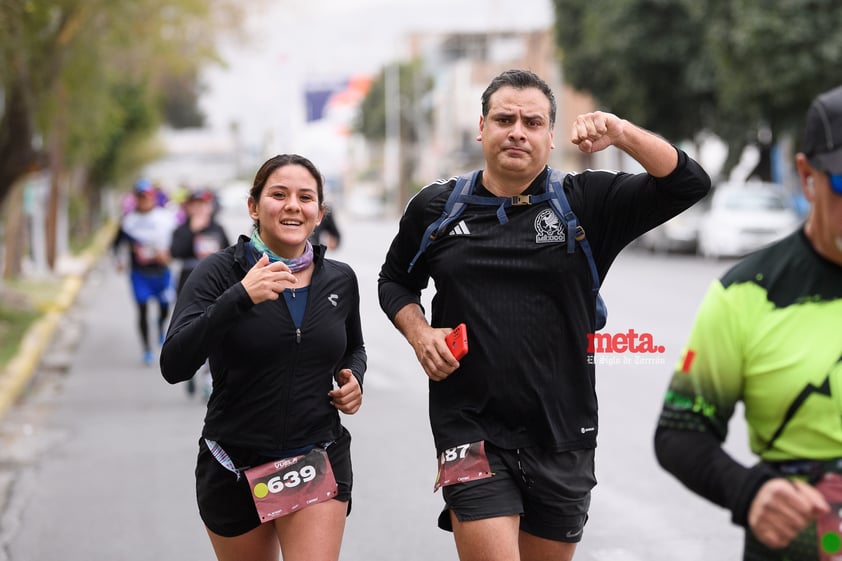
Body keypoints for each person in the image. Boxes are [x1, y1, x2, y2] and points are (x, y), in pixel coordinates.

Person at [377, 68, 711, 561]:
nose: (517, 130)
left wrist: (620, 131)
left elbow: (688, 183)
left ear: (551, 137)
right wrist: (420, 331)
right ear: (481, 128)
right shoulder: (436, 209)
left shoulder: (586, 204)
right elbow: (395, 281)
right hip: (469, 430)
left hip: (563, 434)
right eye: (504, 119)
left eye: (532, 122)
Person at [654, 86, 842, 560]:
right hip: (800, 545)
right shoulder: (747, 293)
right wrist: (749, 491)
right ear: (807, 176)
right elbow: (679, 432)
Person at [160, 153, 366, 561]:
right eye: (279, 194)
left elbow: (353, 348)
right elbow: (175, 364)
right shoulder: (219, 273)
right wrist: (240, 297)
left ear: (319, 212)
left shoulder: (339, 278)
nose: (293, 205)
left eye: (305, 197)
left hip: (313, 455)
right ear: (253, 206)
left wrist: (353, 377)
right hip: (233, 462)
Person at [170, 189, 231, 398]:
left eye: (203, 204)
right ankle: (190, 373)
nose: (199, 209)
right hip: (188, 286)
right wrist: (192, 232)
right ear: (188, 207)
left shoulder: (218, 229)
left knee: (213, 331)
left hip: (215, 287)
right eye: (194, 204)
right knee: (190, 331)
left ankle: (208, 376)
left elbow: (231, 254)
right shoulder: (182, 229)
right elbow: (175, 252)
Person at [113, 178, 178, 366]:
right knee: (141, 310)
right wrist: (118, 261)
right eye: (140, 197)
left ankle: (160, 325)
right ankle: (147, 349)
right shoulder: (129, 221)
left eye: (147, 196)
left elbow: (177, 241)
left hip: (162, 272)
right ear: (136, 198)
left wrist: (168, 255)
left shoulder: (165, 218)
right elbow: (116, 244)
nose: (144, 200)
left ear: (153, 197)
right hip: (139, 274)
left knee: (165, 308)